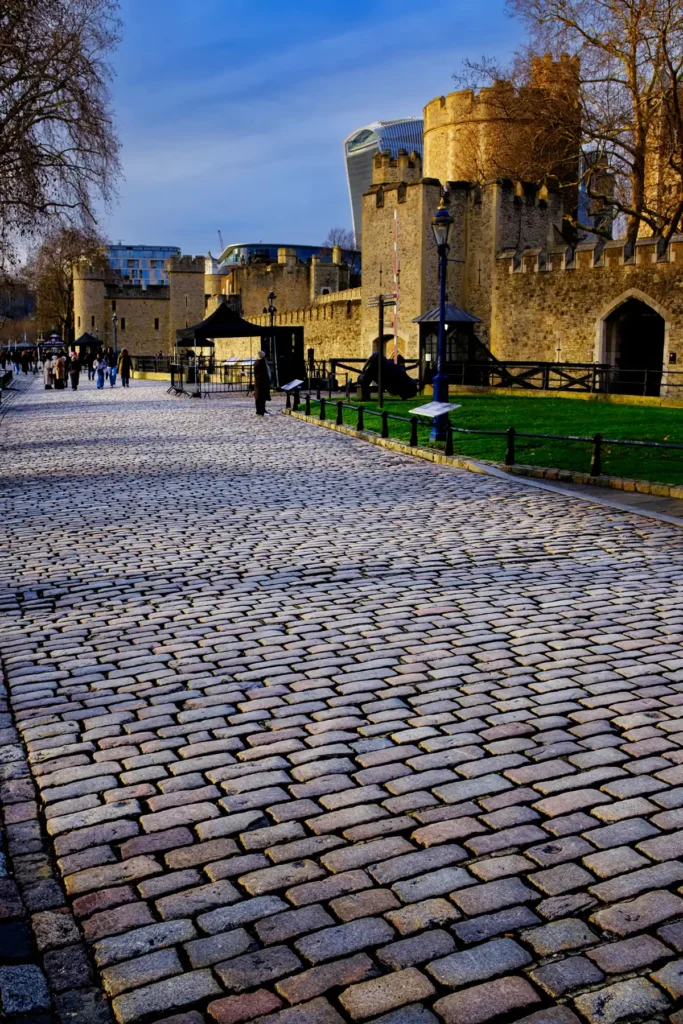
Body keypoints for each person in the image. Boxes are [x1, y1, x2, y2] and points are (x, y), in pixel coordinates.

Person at [253, 350, 271, 417]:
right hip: (262, 383)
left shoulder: (256, 362)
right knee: (262, 397)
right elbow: (264, 373)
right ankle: (262, 411)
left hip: (258, 382)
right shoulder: (261, 363)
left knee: (258, 397)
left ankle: (259, 410)